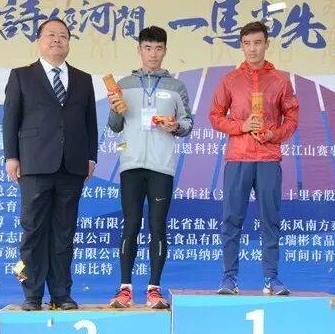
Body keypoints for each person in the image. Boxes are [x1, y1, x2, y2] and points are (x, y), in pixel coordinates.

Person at [2, 18, 98, 311]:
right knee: (33, 231)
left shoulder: (83, 79)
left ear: (69, 42)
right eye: (51, 35)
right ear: (39, 41)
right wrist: (11, 157)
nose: (57, 40)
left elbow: (90, 121)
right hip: (34, 163)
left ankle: (61, 294)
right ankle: (31, 294)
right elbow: (11, 118)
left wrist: (91, 157)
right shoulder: (21, 75)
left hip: (72, 165)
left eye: (63, 36)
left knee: (64, 232)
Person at [209, 21, 299, 295]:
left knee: (270, 220)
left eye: (258, 43)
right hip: (238, 158)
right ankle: (229, 279)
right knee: (231, 220)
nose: (252, 49)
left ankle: (271, 279)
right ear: (241, 45)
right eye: (247, 43)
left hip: (268, 159)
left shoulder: (280, 80)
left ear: (267, 44)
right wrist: (242, 126)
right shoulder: (230, 80)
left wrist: (273, 134)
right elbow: (215, 116)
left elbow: (292, 118)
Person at [107, 26, 193, 309]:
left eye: (158, 48)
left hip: (161, 167)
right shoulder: (124, 84)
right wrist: (114, 107)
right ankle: (125, 290)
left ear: (165, 51)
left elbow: (187, 124)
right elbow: (114, 125)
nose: (153, 54)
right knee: (130, 225)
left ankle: (154, 290)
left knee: (158, 226)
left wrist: (175, 126)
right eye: (147, 48)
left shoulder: (176, 87)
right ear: (139, 50)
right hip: (131, 164)